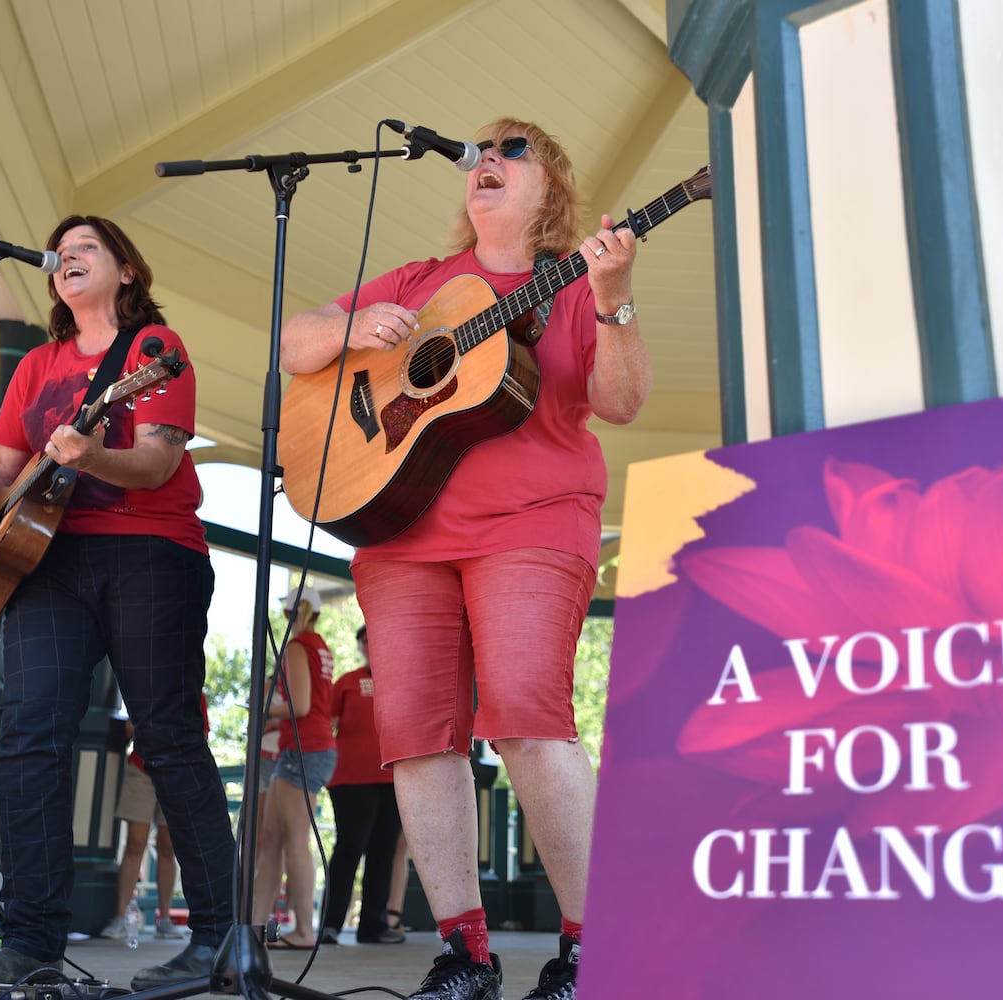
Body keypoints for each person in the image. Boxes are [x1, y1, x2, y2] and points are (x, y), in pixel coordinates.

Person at [280, 117, 651, 1000]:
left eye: (512, 149)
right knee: (415, 738)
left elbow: (622, 400)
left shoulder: (572, 284)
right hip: (401, 529)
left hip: (535, 518)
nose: (487, 158)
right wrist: (354, 327)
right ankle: (465, 955)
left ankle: (598, 949)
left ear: (551, 186)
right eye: (481, 150)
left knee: (527, 717)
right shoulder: (417, 281)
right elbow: (296, 343)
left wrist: (615, 296)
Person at [0, 215, 236, 995]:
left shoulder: (154, 353)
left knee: (168, 735)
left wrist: (92, 452)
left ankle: (218, 938)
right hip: (42, 555)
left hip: (150, 553)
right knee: (31, 732)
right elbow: (0, 462)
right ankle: (31, 937)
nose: (67, 260)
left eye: (87, 250)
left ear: (127, 272)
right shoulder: (37, 364)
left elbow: (152, 463)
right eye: (61, 253)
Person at [252, 589, 337, 951]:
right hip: (307, 747)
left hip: (304, 750)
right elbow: (313, 705)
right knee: (271, 839)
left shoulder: (298, 645)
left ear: (290, 612)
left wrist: (262, 708)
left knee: (293, 841)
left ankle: (304, 930)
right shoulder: (319, 646)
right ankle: (252, 926)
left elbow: (300, 706)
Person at [318, 624, 405, 946]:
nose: (368, 645)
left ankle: (373, 926)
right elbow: (325, 721)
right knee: (350, 847)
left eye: (373, 639)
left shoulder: (401, 678)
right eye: (363, 641)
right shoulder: (348, 681)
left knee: (383, 852)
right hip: (351, 778)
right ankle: (330, 925)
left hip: (393, 776)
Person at [99, 706, 209, 942]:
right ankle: (121, 917)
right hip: (142, 770)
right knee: (135, 844)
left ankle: (165, 919)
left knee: (169, 848)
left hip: (177, 776)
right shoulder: (145, 682)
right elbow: (129, 727)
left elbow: (202, 736)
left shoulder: (194, 692)